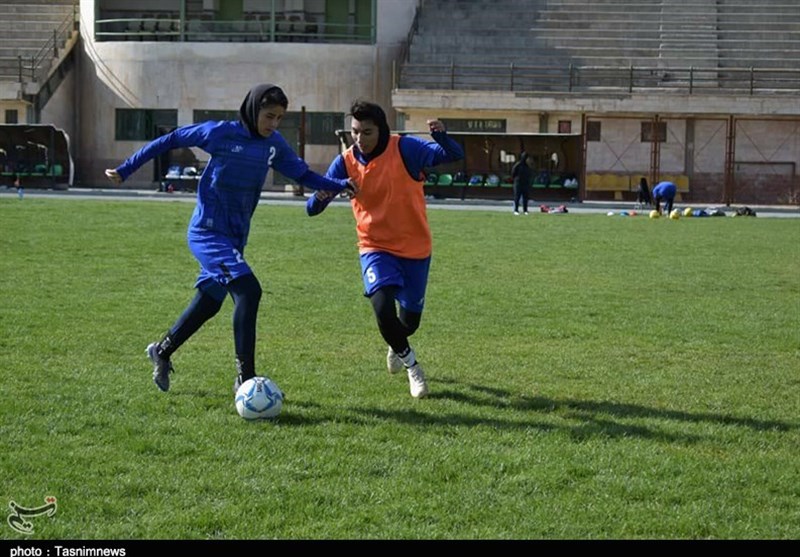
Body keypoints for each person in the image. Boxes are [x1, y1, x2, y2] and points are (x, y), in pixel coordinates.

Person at [105, 83, 354, 395]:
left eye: (279, 118)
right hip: (207, 233)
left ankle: (162, 351)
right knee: (249, 291)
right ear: (252, 110)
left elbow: (303, 174)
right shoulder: (219, 133)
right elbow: (171, 139)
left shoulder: (273, 144)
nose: (274, 124)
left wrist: (338, 184)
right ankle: (246, 379)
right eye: (269, 116)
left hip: (234, 239)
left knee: (209, 303)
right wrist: (126, 169)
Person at [306, 100, 464, 398]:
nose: (360, 139)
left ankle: (397, 345)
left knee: (408, 324)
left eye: (367, 132)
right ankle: (413, 367)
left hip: (415, 247)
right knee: (381, 307)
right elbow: (312, 207)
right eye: (355, 132)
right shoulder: (345, 162)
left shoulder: (405, 148)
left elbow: (454, 156)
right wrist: (330, 190)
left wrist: (441, 135)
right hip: (374, 246)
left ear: (381, 130)